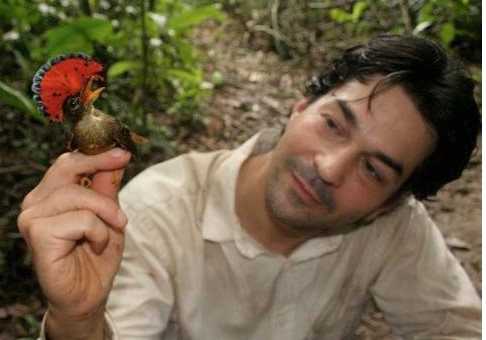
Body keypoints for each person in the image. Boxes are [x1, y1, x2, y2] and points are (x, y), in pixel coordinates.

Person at [18, 34, 481, 339]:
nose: (330, 167)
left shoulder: (395, 229)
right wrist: (78, 322)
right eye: (334, 124)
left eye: (373, 170)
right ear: (300, 106)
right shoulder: (156, 213)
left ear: (388, 205)